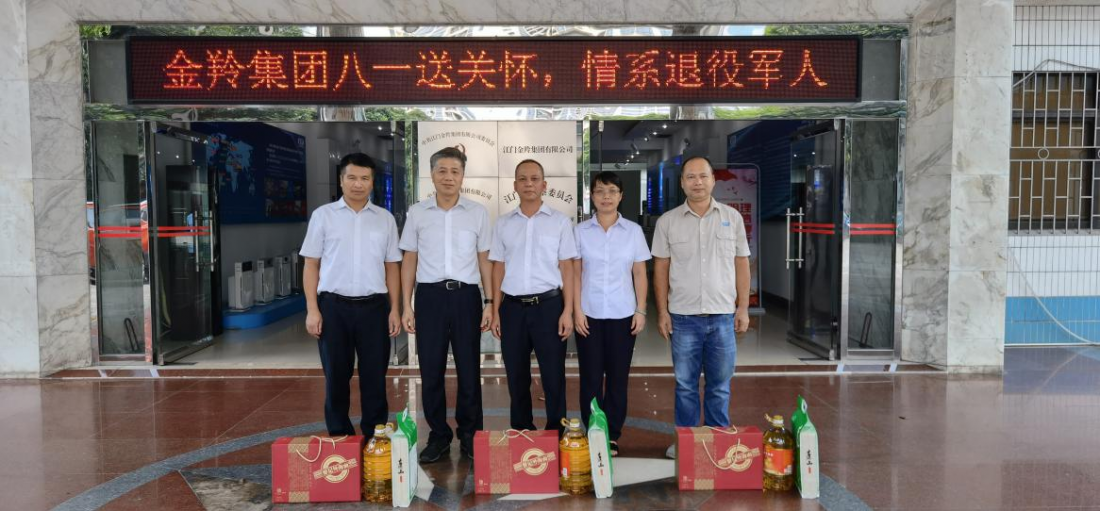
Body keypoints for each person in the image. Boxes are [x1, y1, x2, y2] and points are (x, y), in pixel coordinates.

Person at [651, 155, 751, 459]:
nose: (697, 182)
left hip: (722, 316)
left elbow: (742, 263)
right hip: (683, 317)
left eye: (703, 176)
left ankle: (718, 440)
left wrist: (743, 308)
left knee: (720, 385)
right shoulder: (668, 221)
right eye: (691, 177)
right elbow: (660, 269)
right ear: (682, 183)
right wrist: (662, 311)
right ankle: (686, 443)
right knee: (685, 385)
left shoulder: (732, 218)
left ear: (713, 180)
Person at [400, 147, 493, 462]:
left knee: (469, 369)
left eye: (455, 171)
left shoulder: (477, 213)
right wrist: (407, 305)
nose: (448, 177)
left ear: (463, 176)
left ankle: (470, 435)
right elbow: (409, 259)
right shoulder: (418, 213)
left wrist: (489, 301)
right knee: (431, 369)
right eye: (442, 171)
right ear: (432, 174)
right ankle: (438, 435)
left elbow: (485, 259)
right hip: (430, 297)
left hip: (467, 297)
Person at [300, 152, 402, 436]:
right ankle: (339, 436)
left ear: (372, 182)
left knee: (375, 376)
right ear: (341, 180)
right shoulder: (323, 216)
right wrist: (312, 309)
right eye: (352, 177)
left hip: (374, 308)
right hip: (333, 308)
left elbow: (392, 266)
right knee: (336, 376)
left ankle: (374, 436)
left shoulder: (385, 219)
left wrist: (395, 308)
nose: (358, 184)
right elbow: (311, 264)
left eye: (365, 178)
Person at [490, 159, 578, 434]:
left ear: (544, 185)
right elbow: (498, 268)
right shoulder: (503, 224)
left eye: (534, 179)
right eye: (523, 179)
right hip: (513, 309)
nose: (529, 184)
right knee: (516, 376)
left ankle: (556, 431)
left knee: (553, 375)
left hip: (549, 307)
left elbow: (567, 268)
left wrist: (568, 311)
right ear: (515, 185)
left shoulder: (560, 222)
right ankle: (522, 430)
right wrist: (495, 310)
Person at [572, 171, 650, 457]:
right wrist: (576, 310)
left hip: (623, 314)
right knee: (590, 377)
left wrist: (641, 309)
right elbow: (575, 273)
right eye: (600, 191)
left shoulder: (633, 231)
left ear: (621, 196)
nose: (606, 197)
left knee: (618, 378)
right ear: (592, 196)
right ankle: (594, 428)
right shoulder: (580, 231)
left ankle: (612, 434)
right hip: (589, 315)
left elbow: (639, 272)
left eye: (612, 191)